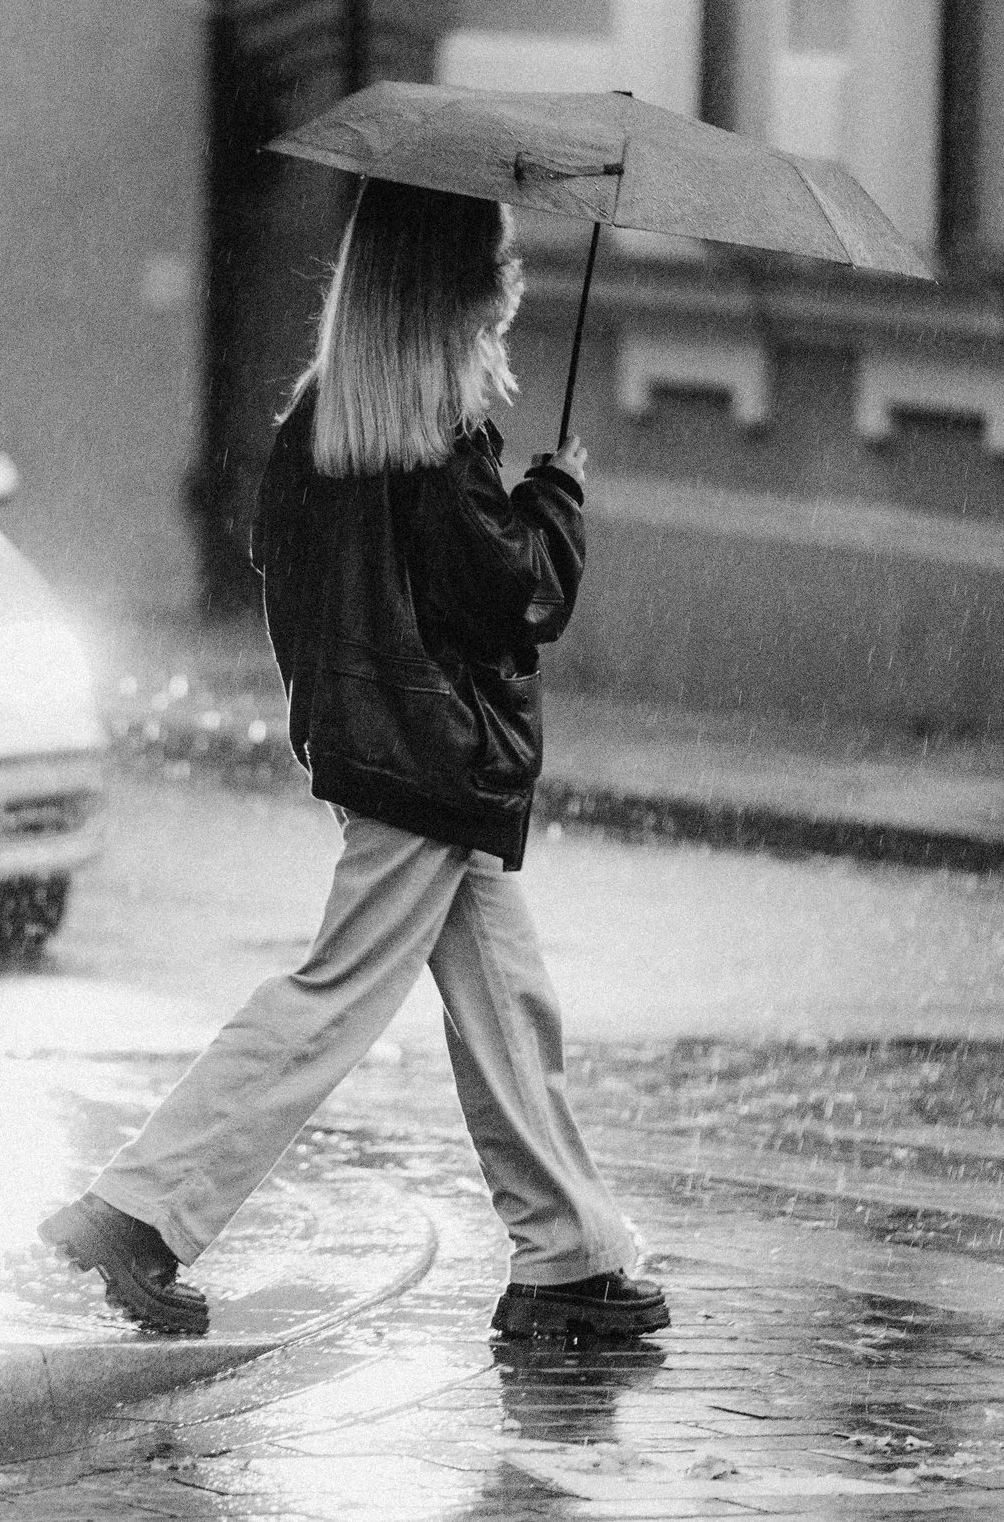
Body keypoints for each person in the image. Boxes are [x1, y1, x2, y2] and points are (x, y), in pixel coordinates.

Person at [40, 178, 666, 1342]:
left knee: (506, 1002)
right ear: (456, 283)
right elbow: (515, 594)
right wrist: (559, 491)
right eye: (499, 258)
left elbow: (292, 573)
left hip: (386, 753)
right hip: (433, 763)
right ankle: (137, 1211)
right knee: (330, 999)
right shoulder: (438, 440)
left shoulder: (326, 423)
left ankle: (566, 1257)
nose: (514, 275)